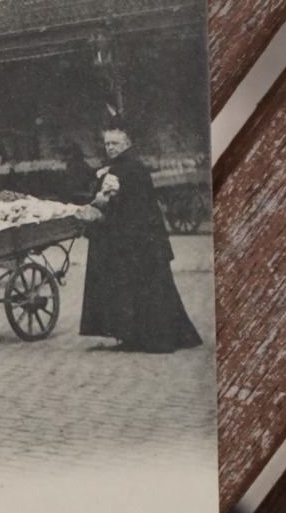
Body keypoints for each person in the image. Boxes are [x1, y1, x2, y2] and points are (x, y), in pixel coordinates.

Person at [79, 127, 203, 353]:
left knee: (144, 287)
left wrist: (104, 202)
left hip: (138, 240)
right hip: (136, 238)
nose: (110, 148)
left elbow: (130, 204)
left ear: (127, 145)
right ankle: (137, 336)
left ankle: (150, 338)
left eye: (115, 143)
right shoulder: (121, 168)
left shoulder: (129, 169)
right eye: (107, 144)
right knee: (136, 287)